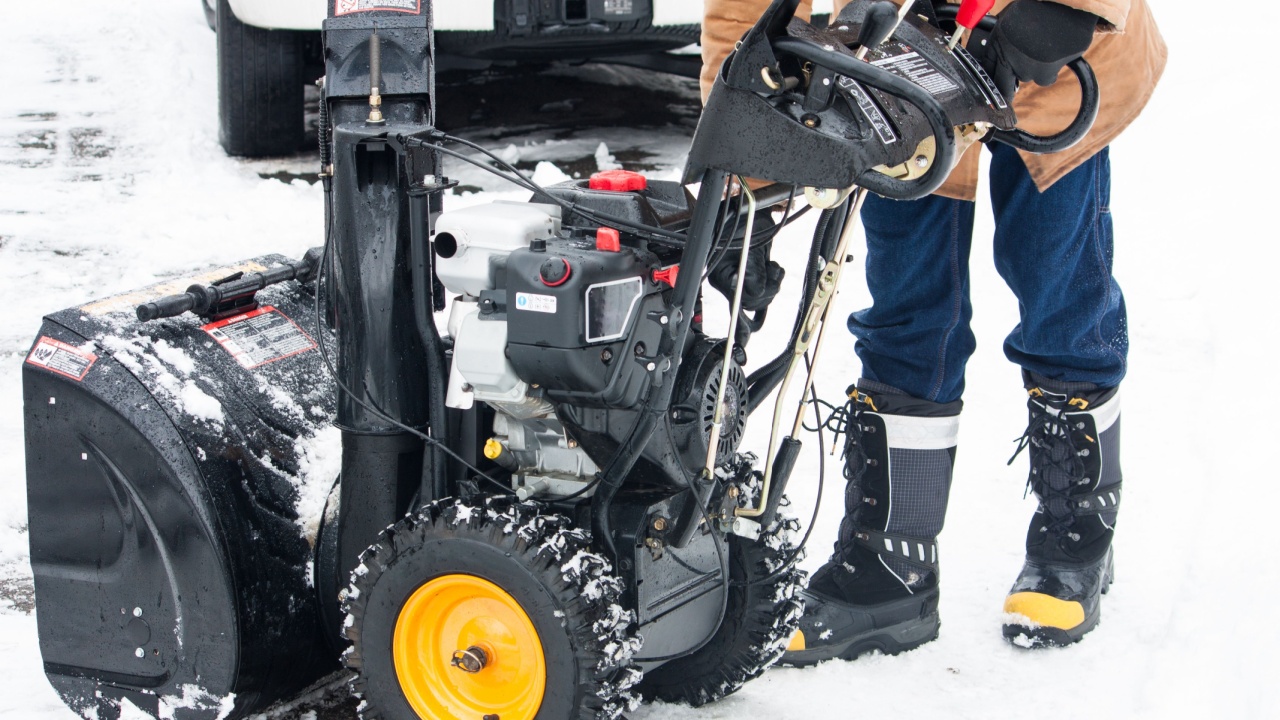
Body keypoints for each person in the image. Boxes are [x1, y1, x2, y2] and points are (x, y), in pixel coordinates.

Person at [699, 0, 1166, 660]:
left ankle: (1075, 537)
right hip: (900, 80)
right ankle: (891, 566)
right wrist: (743, 146)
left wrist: (1069, 10)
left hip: (1053, 60)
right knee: (908, 307)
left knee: (1058, 288)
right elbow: (743, 19)